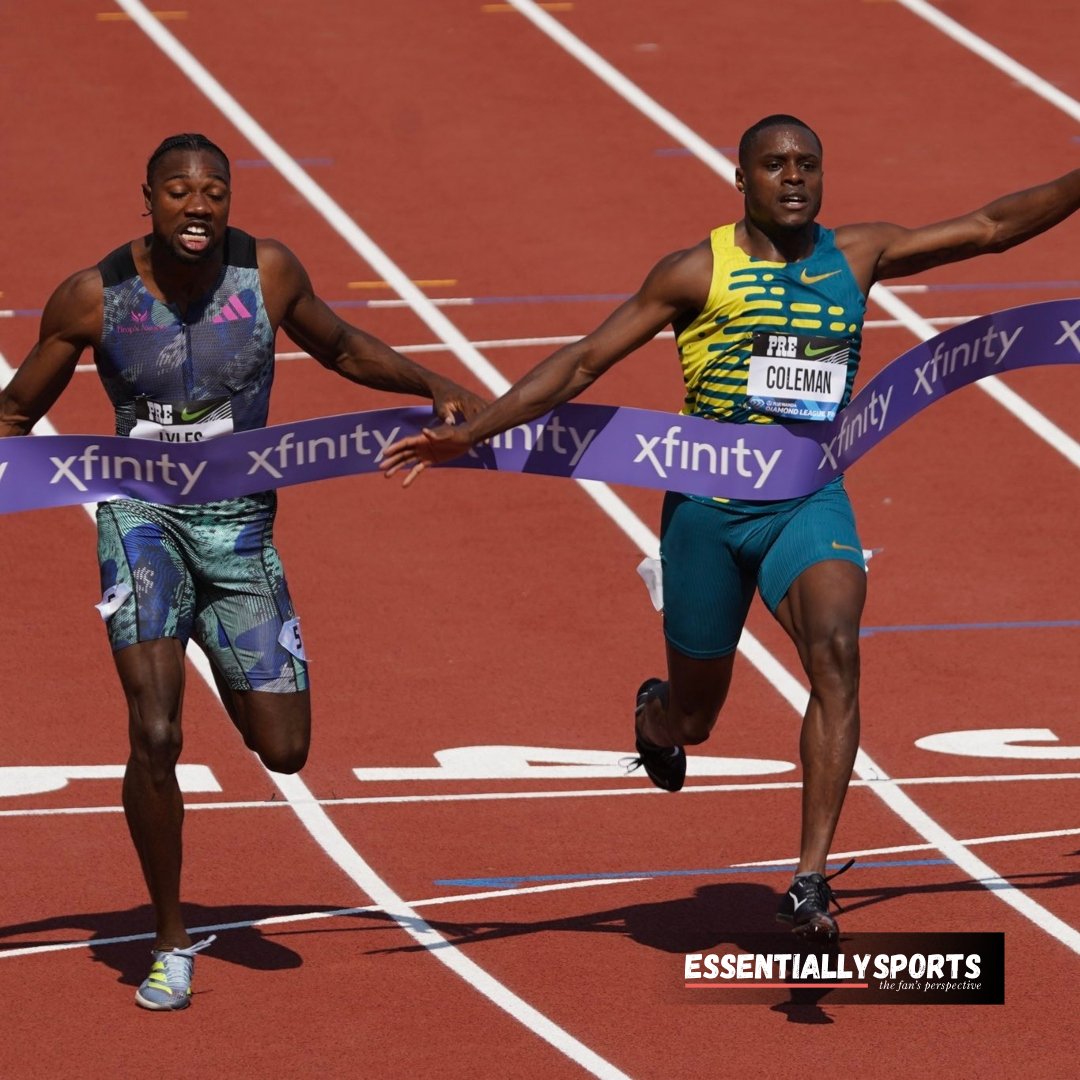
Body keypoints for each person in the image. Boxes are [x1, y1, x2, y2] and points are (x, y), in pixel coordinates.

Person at [381, 115, 1080, 938]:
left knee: (838, 652)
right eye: (775, 165)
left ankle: (809, 879)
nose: (794, 178)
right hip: (706, 511)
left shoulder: (858, 254)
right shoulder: (694, 272)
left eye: (809, 165)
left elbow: (993, 228)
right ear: (740, 179)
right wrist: (478, 429)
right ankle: (656, 716)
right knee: (697, 718)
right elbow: (581, 361)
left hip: (807, 496)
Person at [0, 133, 486, 1009]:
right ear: (146, 197)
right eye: (180, 192)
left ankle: (223, 645)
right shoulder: (92, 297)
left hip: (241, 531)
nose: (198, 206)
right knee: (155, 734)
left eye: (214, 192)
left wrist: (432, 380)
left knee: (286, 749)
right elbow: (14, 412)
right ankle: (171, 938)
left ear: (229, 199)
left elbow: (339, 347)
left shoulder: (267, 274)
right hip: (139, 523)